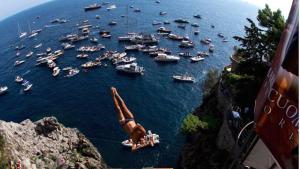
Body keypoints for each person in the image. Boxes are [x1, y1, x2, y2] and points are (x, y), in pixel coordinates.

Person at [111, 87, 154, 151]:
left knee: (118, 109)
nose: (142, 141)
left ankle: (113, 95)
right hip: (131, 119)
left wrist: (142, 146)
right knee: (123, 104)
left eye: (142, 143)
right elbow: (138, 125)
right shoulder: (143, 132)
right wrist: (132, 133)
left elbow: (133, 149)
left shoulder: (135, 140)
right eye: (144, 141)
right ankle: (116, 93)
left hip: (124, 123)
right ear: (145, 139)